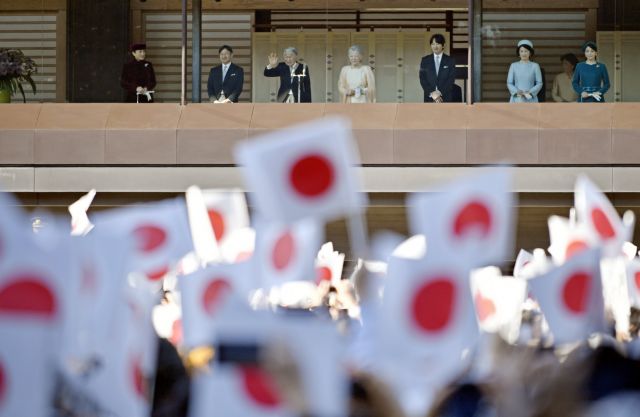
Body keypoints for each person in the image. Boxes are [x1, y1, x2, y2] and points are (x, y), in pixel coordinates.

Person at [419, 33, 456, 103]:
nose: (435, 46)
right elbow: (422, 79)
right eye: (433, 44)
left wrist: (439, 93)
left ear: (443, 45)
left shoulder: (450, 60)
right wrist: (432, 93)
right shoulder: (425, 60)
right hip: (430, 97)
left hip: (445, 97)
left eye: (438, 44)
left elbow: (451, 79)